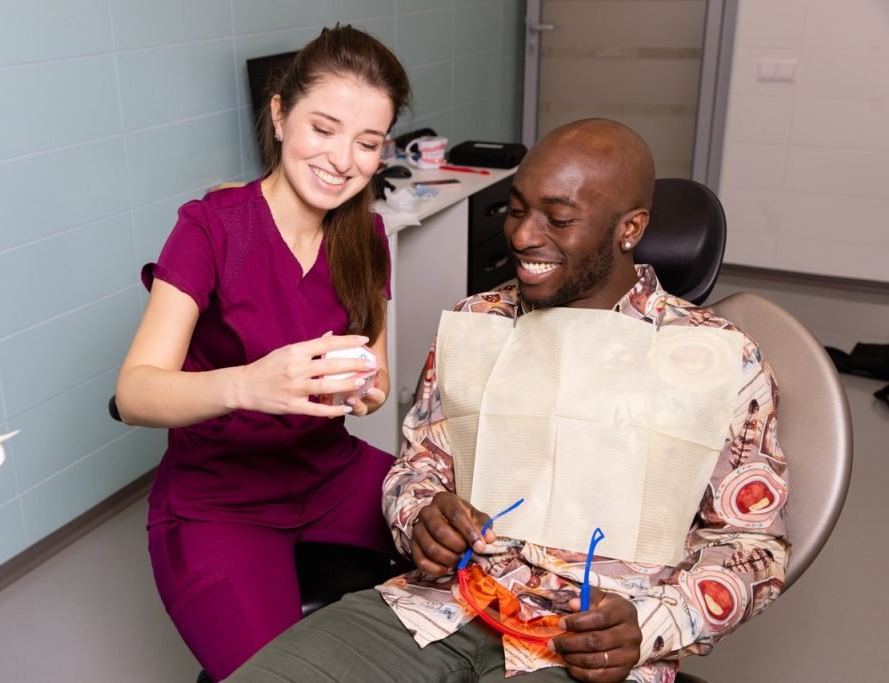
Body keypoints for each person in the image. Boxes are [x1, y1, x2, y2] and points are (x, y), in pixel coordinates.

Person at [225, 119, 791, 683]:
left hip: (588, 645)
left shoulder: (719, 360)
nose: (522, 236)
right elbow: (418, 467)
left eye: (559, 218)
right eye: (518, 209)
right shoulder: (480, 324)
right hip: (438, 607)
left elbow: (753, 545)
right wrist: (421, 516)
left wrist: (655, 622)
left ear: (630, 228)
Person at [114, 25, 411, 680]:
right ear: (279, 116)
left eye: (367, 142)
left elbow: (378, 379)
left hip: (333, 474)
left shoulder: (367, 234)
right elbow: (134, 391)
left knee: (476, 563)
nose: (342, 159)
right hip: (221, 498)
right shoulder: (210, 228)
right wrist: (249, 383)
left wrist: (365, 388)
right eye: (324, 129)